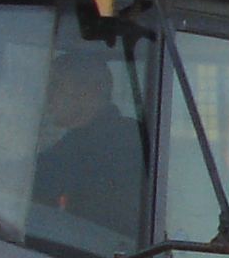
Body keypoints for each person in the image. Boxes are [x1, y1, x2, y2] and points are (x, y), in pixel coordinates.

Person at [32, 40, 147, 242]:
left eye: (56, 85)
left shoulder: (125, 142)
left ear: (92, 89)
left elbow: (53, 172)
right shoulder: (73, 145)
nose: (48, 96)